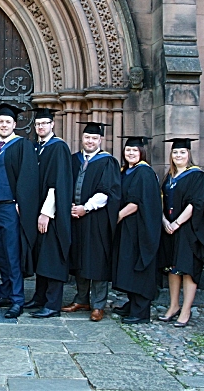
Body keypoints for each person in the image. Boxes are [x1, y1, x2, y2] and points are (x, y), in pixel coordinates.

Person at [0, 103, 39, 319]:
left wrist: (21, 204)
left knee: (13, 253)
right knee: (1, 254)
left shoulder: (23, 145)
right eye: (0, 122)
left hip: (10, 207)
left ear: (15, 124)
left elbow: (28, 178)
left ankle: (17, 299)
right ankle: (5, 293)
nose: (4, 125)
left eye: (7, 122)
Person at [62, 122, 120, 322]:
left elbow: (107, 191)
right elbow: (65, 184)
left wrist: (85, 208)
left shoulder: (108, 162)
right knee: (79, 258)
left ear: (100, 140)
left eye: (94, 138)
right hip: (75, 217)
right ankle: (81, 299)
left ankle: (98, 305)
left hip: (96, 219)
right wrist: (68, 205)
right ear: (82, 138)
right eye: (87, 137)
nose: (90, 141)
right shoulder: (73, 160)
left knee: (97, 261)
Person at [24, 108, 72, 319]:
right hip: (37, 210)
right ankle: (40, 296)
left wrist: (46, 212)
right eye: (38, 124)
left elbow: (57, 183)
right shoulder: (37, 147)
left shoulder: (59, 147)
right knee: (41, 255)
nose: (41, 127)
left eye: (44, 123)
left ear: (52, 124)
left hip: (51, 213)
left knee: (52, 257)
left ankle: (52, 303)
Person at [157, 138, 204, 328]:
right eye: (175, 152)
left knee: (187, 270)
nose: (178, 156)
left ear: (189, 154)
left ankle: (186, 309)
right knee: (172, 268)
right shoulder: (168, 177)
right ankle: (173, 306)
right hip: (169, 228)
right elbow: (161, 202)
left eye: (182, 152)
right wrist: (164, 221)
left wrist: (177, 223)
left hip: (187, 230)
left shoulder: (197, 176)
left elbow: (196, 204)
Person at [111, 136, 161, 324]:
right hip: (128, 227)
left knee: (139, 264)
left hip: (140, 228)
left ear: (142, 153)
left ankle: (141, 311)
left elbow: (137, 202)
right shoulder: (127, 171)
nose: (130, 153)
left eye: (134, 150)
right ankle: (132, 303)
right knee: (128, 265)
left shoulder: (144, 173)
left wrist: (118, 216)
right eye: (128, 150)